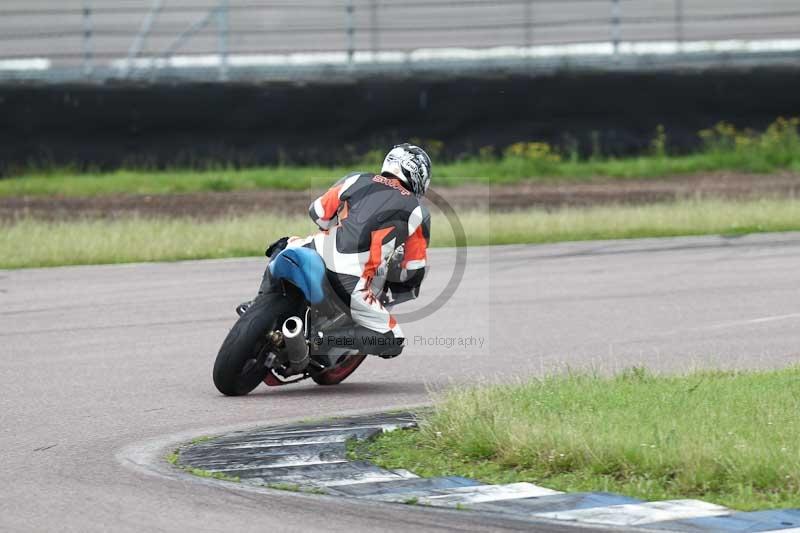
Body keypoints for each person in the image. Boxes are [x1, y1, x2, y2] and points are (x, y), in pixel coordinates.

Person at [239, 143, 432, 359]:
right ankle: (323, 339)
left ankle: (255, 305)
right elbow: (414, 270)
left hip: (313, 249)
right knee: (394, 340)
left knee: (285, 243)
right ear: (418, 176)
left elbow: (318, 212)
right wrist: (402, 284)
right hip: (350, 279)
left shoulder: (357, 179)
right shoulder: (418, 212)